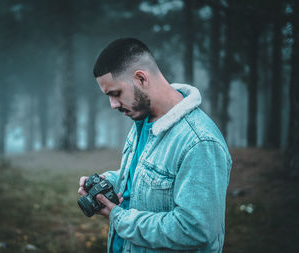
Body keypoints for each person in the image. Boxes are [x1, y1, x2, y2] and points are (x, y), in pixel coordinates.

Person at [78, 38, 232, 253]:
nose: (113, 105)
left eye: (116, 93)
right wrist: (109, 182)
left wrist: (119, 218)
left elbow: (196, 230)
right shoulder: (143, 119)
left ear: (141, 78)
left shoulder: (200, 142)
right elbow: (150, 178)